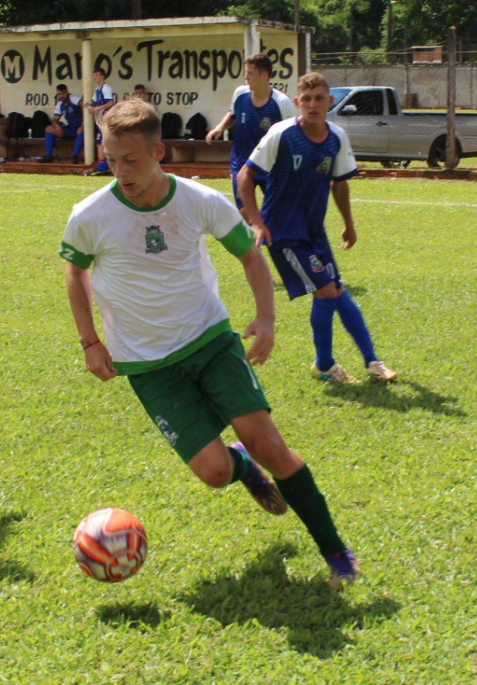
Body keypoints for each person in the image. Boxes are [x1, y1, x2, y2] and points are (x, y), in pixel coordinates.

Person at [60, 99, 359, 589]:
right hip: (147, 364)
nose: (119, 170)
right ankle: (241, 465)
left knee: (273, 448)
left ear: (159, 152)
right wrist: (90, 342)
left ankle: (336, 553)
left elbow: (250, 258)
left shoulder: (199, 201)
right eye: (111, 159)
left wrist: (265, 318)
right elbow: (74, 272)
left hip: (209, 339)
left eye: (130, 159)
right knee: (215, 472)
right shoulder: (90, 213)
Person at [237, 72, 397, 385]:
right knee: (327, 291)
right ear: (297, 102)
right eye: (306, 99)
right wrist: (256, 221)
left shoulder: (336, 137)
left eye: (319, 98)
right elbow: (245, 177)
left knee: (337, 292)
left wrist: (349, 225)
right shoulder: (281, 135)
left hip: (314, 232)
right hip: (283, 233)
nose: (313, 104)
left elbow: (339, 183)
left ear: (330, 102)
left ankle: (372, 361)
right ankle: (325, 364)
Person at [206, 53, 297, 208]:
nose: (246, 77)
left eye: (249, 73)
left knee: (276, 211)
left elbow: (292, 137)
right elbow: (233, 114)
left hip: (270, 166)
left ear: (264, 75)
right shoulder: (240, 94)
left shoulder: (281, 103)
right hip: (241, 164)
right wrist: (220, 127)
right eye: (245, 72)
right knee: (244, 211)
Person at [39, 83, 85, 164]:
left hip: (80, 127)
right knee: (49, 128)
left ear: (67, 92)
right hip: (71, 128)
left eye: (63, 93)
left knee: (80, 130)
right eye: (59, 94)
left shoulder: (73, 98)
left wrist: (84, 122)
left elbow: (82, 104)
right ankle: (49, 156)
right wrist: (57, 126)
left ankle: (75, 156)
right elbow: (55, 120)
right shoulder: (60, 104)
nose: (61, 96)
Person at [83, 67, 116, 175]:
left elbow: (110, 103)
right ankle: (101, 165)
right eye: (94, 76)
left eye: (97, 75)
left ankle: (104, 166)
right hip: (100, 119)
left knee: (103, 141)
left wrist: (97, 108)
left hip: (106, 119)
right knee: (99, 141)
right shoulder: (97, 90)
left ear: (102, 76)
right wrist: (88, 105)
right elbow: (93, 102)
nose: (95, 78)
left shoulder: (106, 88)